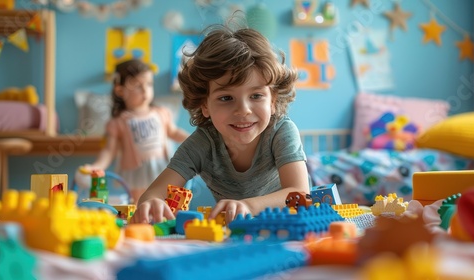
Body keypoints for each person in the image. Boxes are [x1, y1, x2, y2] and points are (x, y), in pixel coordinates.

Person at [131, 24, 310, 225]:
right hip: (235, 234)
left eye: (256, 96)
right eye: (226, 98)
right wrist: (151, 203)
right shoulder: (202, 143)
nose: (243, 110)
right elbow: (153, 193)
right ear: (204, 105)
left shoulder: (281, 132)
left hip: (288, 226)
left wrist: (248, 206)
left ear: (273, 101)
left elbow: (299, 193)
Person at [81, 59, 189, 203]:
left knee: (169, 202)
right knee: (140, 204)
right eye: (138, 85)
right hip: (137, 171)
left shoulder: (161, 113)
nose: (145, 90)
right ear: (120, 91)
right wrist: (96, 166)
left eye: (149, 84)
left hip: (162, 166)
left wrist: (194, 140)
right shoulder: (119, 122)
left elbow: (174, 132)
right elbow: (109, 151)